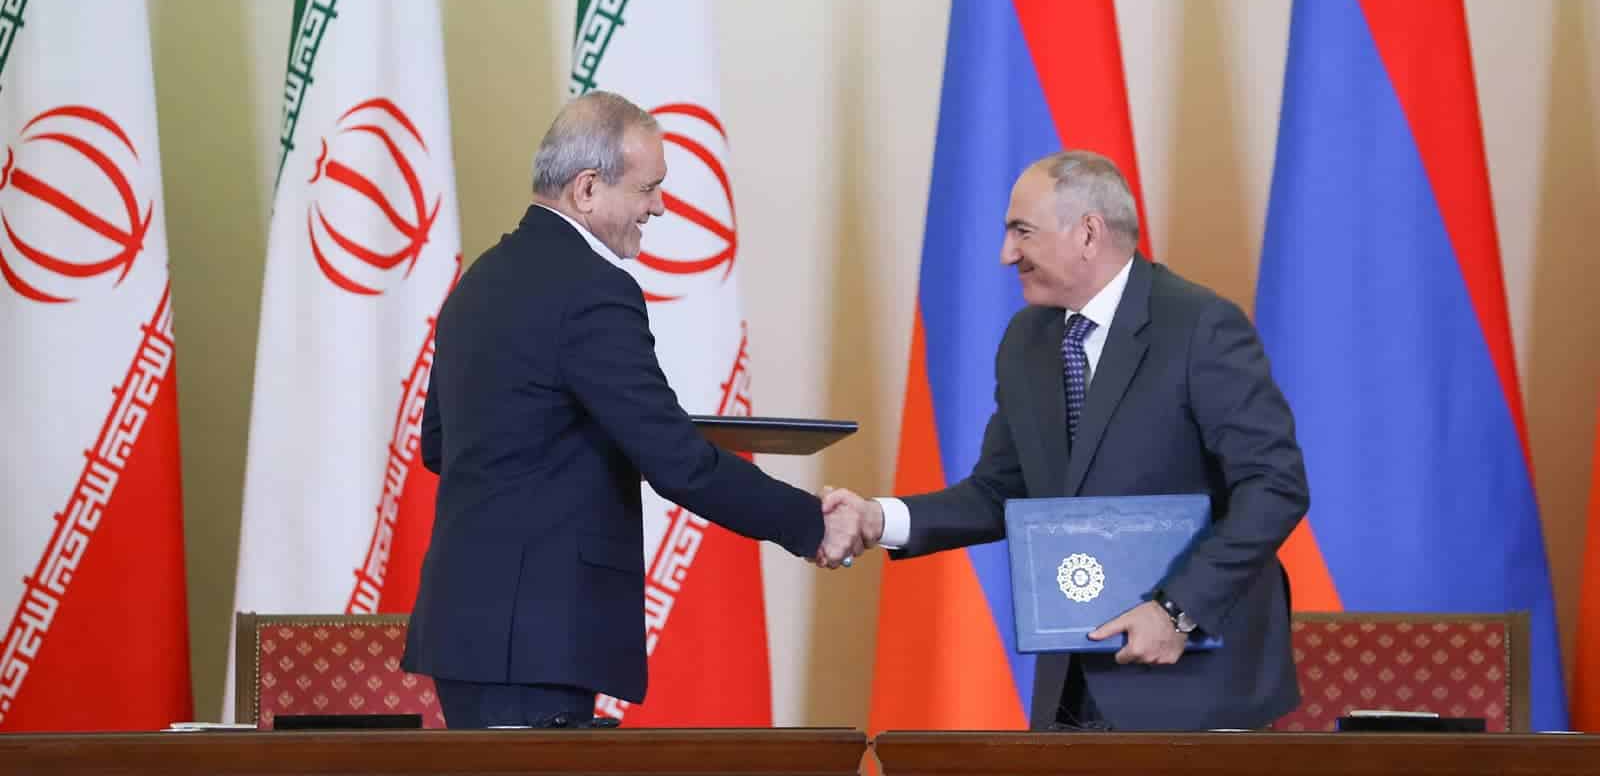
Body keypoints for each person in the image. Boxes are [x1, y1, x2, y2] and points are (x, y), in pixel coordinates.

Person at [401, 91, 871, 729]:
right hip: (536, 638)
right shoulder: (592, 291)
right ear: (587, 189)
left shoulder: (476, 283)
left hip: (466, 630)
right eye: (648, 189)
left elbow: (440, 444)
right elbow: (678, 463)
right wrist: (811, 523)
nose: (659, 207)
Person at [824, 150, 1310, 731]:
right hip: (1075, 681)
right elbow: (1002, 490)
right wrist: (879, 519)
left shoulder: (1199, 326)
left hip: (1198, 683)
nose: (1007, 254)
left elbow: (1274, 485)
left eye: (1022, 231)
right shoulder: (1027, 340)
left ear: (1088, 233)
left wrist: (1177, 611)